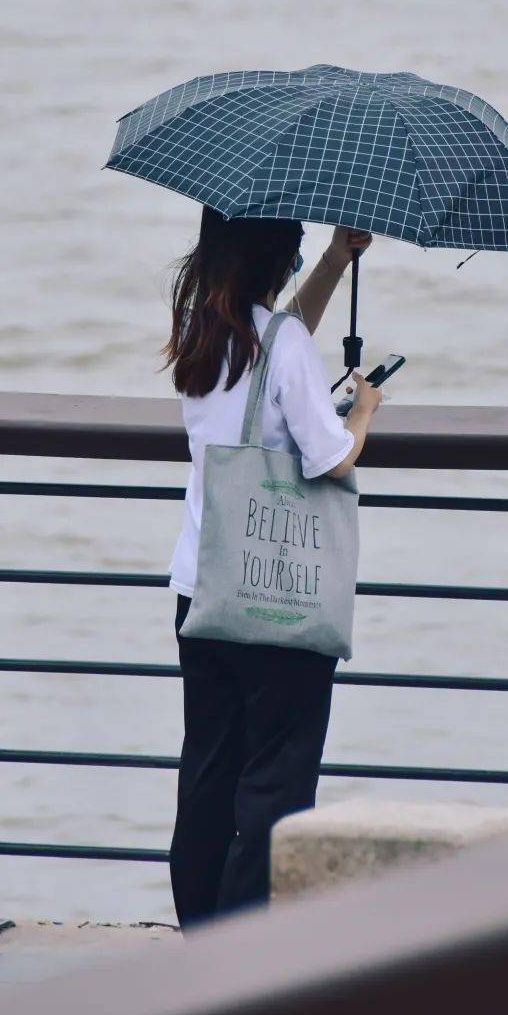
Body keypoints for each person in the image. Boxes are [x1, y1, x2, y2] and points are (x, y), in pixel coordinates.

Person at [163, 206, 383, 930]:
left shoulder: (203, 331)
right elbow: (329, 456)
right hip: (277, 598)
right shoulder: (282, 345)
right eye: (292, 249)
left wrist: (332, 262)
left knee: (209, 773)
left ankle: (202, 931)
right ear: (271, 256)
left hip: (204, 588)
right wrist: (363, 411)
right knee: (275, 784)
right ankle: (248, 949)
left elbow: (281, 335)